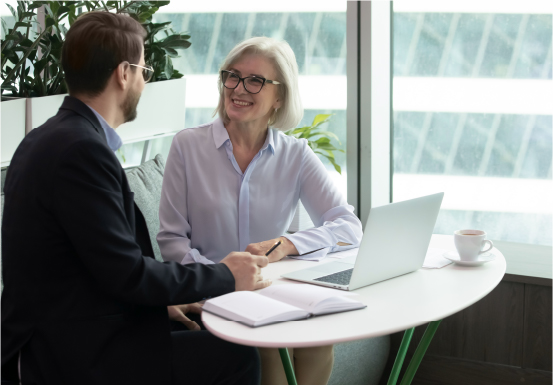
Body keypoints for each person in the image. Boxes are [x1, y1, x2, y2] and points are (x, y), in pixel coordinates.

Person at [1, 11, 270, 385]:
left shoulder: (49, 138)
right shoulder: (81, 151)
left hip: (73, 328)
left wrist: (163, 302)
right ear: (123, 73)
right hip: (70, 354)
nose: (144, 81)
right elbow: (128, 274)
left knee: (210, 333)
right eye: (144, 70)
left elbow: (94, 267)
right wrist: (225, 274)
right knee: (237, 355)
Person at [157, 37, 363, 385]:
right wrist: (220, 278)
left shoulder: (296, 155)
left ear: (279, 97)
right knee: (268, 344)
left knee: (318, 340)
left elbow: (348, 227)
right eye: (232, 76)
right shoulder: (188, 146)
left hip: (275, 287)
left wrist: (287, 243)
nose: (238, 88)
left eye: (255, 81)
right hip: (212, 288)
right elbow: (172, 240)